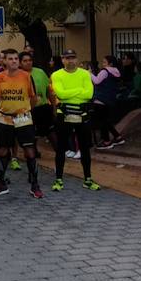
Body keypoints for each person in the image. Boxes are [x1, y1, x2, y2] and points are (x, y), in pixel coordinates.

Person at [0, 50, 42, 199]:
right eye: (10, 59)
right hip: (4, 118)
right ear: (4, 61)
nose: (14, 61)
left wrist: (23, 111)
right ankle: (1, 183)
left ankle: (34, 185)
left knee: (29, 151)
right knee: (2, 150)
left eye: (15, 59)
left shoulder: (26, 76)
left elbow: (33, 98)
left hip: (23, 118)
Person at [50, 50, 99, 191]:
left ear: (77, 59)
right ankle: (59, 179)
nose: (70, 61)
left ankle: (88, 179)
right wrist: (79, 91)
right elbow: (60, 94)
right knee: (61, 148)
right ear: (62, 59)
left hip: (82, 114)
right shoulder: (56, 75)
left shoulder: (85, 74)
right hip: (63, 115)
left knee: (85, 148)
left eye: (73, 58)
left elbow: (89, 94)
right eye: (67, 58)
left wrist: (69, 94)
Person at [93, 56, 125, 150]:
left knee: (102, 122)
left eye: (104, 62)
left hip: (100, 99)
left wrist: (89, 73)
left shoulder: (105, 71)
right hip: (109, 99)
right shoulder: (116, 72)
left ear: (110, 64)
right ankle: (118, 137)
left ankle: (106, 142)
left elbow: (96, 81)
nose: (103, 64)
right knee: (106, 121)